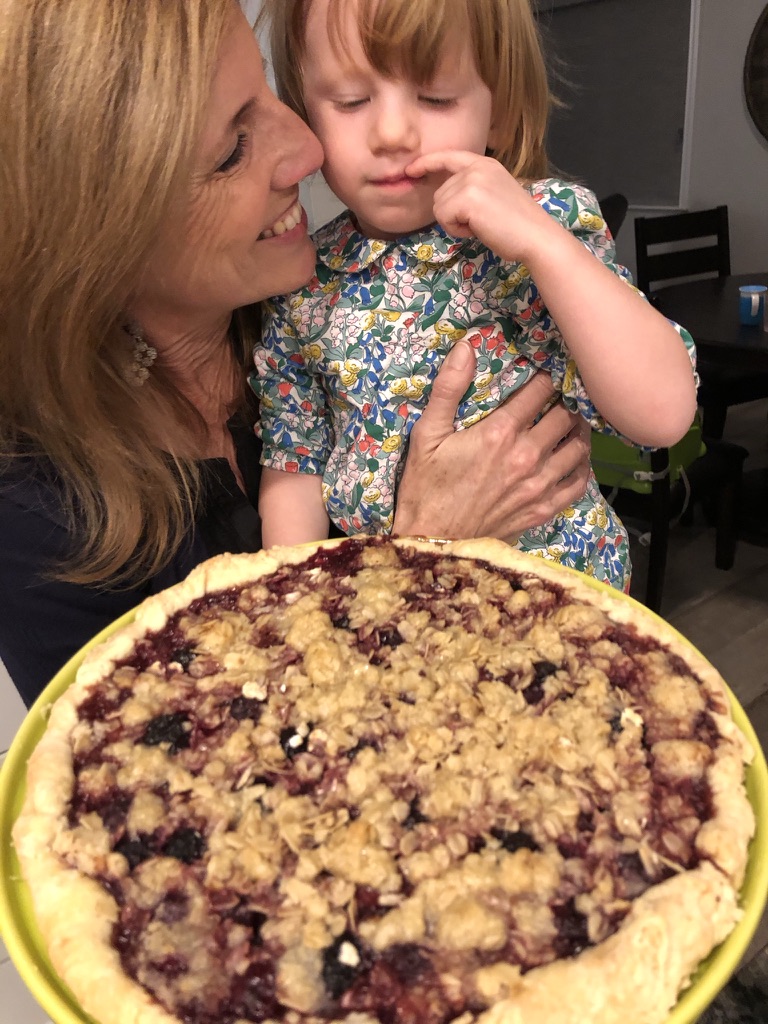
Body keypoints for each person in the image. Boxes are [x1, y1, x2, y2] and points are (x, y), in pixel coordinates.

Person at [0, 0, 592, 709]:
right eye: (232, 148)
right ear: (99, 234)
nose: (309, 150)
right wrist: (419, 549)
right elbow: (198, 758)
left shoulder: (325, 309)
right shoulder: (35, 515)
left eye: (270, 94)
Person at [252, 0, 698, 591]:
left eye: (435, 97)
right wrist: (300, 604)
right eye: (351, 101)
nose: (391, 133)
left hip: (556, 598)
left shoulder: (544, 224)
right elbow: (294, 464)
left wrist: (545, 245)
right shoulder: (304, 280)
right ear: (305, 118)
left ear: (499, 115)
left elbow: (663, 415)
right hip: (395, 610)